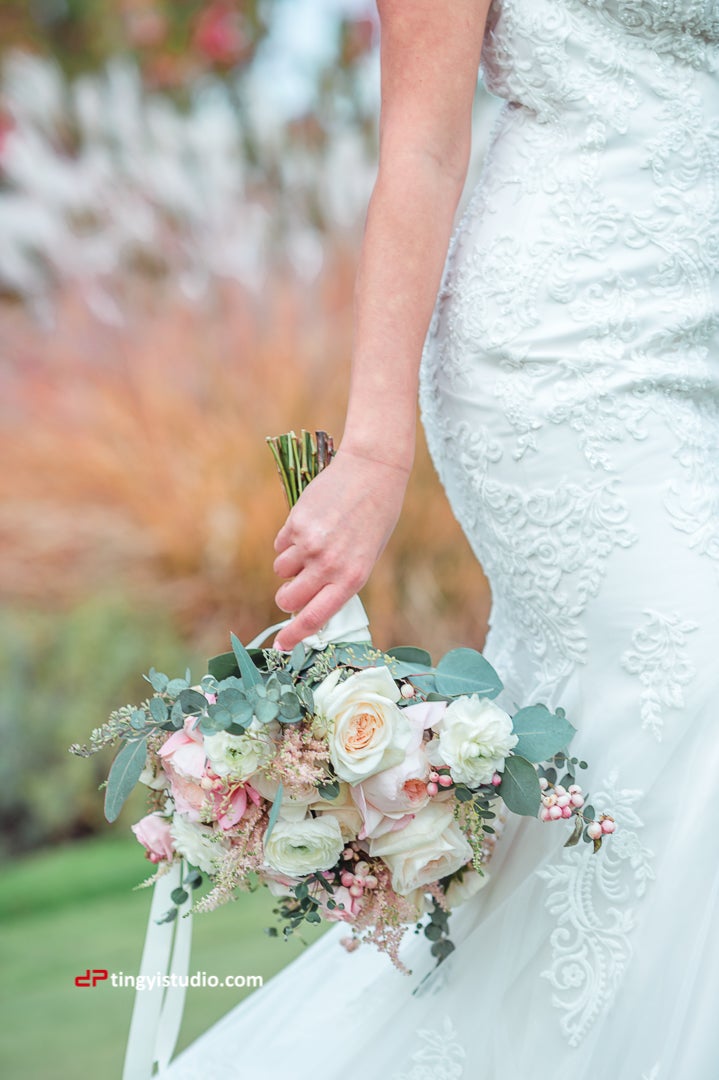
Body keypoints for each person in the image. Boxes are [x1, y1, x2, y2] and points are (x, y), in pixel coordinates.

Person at [163, 1, 719, 1077]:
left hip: (696, 336)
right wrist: (369, 457)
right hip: (565, 353)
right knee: (693, 686)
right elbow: (417, 146)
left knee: (628, 763)